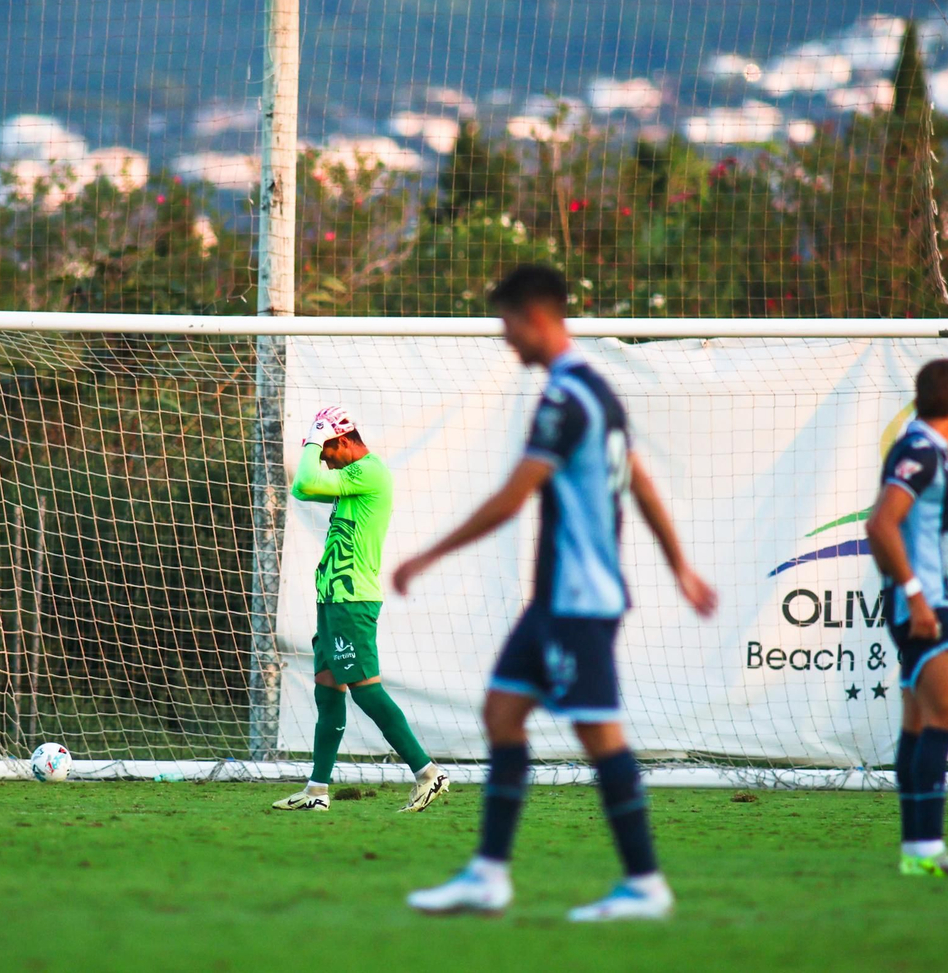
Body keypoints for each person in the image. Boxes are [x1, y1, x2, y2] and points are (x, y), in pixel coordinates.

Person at [395, 264, 717, 921]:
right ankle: (488, 876)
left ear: (536, 318)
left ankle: (646, 884)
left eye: (507, 325)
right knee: (502, 715)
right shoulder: (598, 392)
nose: (505, 340)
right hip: (552, 603)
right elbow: (643, 485)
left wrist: (426, 555)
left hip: (578, 601)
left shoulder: (566, 400)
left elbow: (514, 498)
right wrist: (679, 565)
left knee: (600, 736)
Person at [271, 406, 449, 814]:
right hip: (334, 600)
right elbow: (302, 489)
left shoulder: (368, 471)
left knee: (366, 691)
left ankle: (427, 772)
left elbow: (304, 479)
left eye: (327, 450)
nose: (324, 458)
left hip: (352, 600)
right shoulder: (352, 475)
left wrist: (316, 437)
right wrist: (318, 441)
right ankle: (316, 792)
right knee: (327, 690)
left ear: (344, 442)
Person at [864, 359, 948, 878]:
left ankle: (917, 853)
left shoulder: (919, 449)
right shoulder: (920, 452)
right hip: (930, 609)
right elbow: (880, 524)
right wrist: (914, 596)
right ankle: (926, 849)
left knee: (917, 725)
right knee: (945, 720)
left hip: (926, 606)